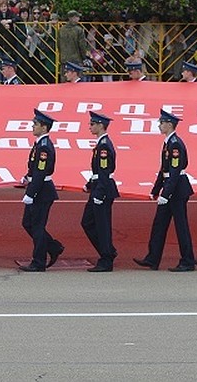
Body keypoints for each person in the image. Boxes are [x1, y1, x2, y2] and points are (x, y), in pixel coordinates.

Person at [135, 110, 195, 272]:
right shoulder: (168, 143)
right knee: (159, 225)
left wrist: (165, 194)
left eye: (162, 123)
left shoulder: (175, 144)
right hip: (170, 187)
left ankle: (187, 261)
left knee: (181, 226)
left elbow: (174, 172)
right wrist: (156, 190)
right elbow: (164, 170)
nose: (159, 125)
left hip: (177, 190)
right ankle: (153, 258)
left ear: (169, 124)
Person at [19, 108, 64, 272]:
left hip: (41, 190)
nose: (32, 126)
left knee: (37, 226)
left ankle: (38, 262)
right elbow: (34, 169)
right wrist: (26, 177)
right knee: (28, 224)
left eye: (35, 124)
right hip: (37, 186)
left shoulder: (44, 147)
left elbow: (41, 171)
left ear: (44, 127)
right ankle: (53, 247)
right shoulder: (40, 144)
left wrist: (31, 193)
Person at [81, 111, 118, 272]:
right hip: (98, 186)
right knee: (88, 222)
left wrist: (99, 193)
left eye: (92, 124)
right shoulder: (101, 144)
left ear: (101, 125)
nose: (90, 127)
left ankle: (106, 259)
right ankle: (108, 250)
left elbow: (104, 171)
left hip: (103, 189)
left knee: (102, 225)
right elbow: (99, 171)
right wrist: (90, 184)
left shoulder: (104, 146)